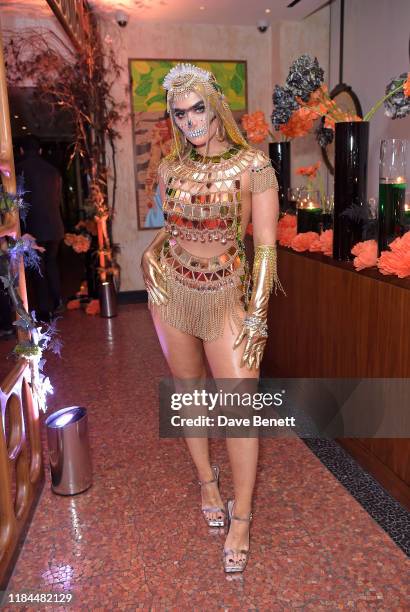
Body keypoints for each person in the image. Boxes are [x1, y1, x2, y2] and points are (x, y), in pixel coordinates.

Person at [141, 64, 285, 574]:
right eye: (178, 113)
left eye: (197, 108)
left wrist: (258, 316)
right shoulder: (170, 168)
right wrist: (148, 258)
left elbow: (265, 248)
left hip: (226, 297)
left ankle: (242, 516)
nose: (188, 121)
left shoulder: (253, 164)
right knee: (188, 392)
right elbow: (173, 229)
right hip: (174, 294)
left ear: (215, 105)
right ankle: (207, 481)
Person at [17, 135, 65, 321]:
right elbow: (58, 200)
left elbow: (18, 204)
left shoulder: (18, 171)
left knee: (38, 269)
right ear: (40, 150)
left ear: (21, 151)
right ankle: (57, 302)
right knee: (51, 264)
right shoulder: (53, 171)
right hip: (55, 226)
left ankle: (45, 311)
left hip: (32, 229)